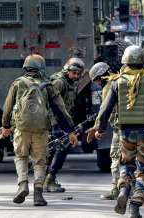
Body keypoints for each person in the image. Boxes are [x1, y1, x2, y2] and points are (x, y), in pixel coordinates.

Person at [95, 45, 144, 218]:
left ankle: (123, 189)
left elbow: (105, 109)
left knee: (126, 164)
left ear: (125, 61)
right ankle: (135, 208)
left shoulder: (117, 81)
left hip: (125, 131)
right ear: (142, 61)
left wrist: (100, 129)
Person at [1, 54, 78, 206]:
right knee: (39, 161)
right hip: (41, 129)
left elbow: (7, 107)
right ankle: (38, 194)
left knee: (21, 157)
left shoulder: (18, 83)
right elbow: (60, 109)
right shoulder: (47, 85)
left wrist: (6, 126)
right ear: (42, 68)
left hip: (21, 128)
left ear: (26, 67)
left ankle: (22, 185)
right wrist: (70, 131)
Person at [43, 58, 85, 193]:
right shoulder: (60, 82)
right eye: (74, 73)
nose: (76, 76)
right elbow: (50, 104)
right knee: (61, 149)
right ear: (67, 70)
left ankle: (47, 180)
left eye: (79, 74)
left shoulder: (69, 82)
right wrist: (55, 125)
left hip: (61, 122)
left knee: (55, 150)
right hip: (55, 122)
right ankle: (49, 180)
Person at [87, 62, 122, 200]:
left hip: (120, 128)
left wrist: (98, 128)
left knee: (115, 157)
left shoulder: (109, 86)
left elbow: (104, 110)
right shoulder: (121, 80)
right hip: (138, 125)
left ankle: (115, 190)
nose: (96, 83)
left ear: (101, 77)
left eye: (96, 80)